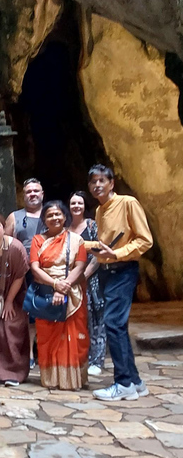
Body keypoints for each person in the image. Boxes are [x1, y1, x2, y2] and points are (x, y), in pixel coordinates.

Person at [84, 164, 153, 401]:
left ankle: (123, 384)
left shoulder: (127, 203)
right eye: (93, 181)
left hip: (123, 270)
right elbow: (106, 246)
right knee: (118, 326)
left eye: (102, 180)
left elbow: (145, 240)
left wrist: (117, 254)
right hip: (108, 271)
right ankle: (135, 382)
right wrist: (98, 254)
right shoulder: (99, 211)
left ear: (112, 183)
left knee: (113, 323)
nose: (97, 185)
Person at [29, 200, 89, 390]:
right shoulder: (38, 240)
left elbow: (80, 266)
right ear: (44, 219)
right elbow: (35, 267)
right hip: (45, 292)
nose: (54, 218)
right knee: (47, 336)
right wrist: (54, 284)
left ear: (65, 217)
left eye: (58, 214)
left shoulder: (76, 240)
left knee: (74, 336)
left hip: (72, 294)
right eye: (49, 215)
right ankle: (52, 379)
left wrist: (64, 286)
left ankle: (72, 379)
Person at [0, 211, 30, 386]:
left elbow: (19, 275)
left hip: (13, 296)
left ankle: (15, 373)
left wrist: (9, 301)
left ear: (3, 227)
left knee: (12, 326)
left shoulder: (15, 247)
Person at [5, 178, 46, 370]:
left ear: (42, 193)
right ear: (24, 195)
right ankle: (28, 353)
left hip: (48, 272)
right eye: (29, 191)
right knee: (26, 313)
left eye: (36, 191)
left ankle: (45, 352)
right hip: (23, 273)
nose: (32, 194)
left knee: (45, 312)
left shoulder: (51, 213)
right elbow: (7, 244)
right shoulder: (14, 216)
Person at [68, 191, 105, 377]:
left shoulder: (91, 225)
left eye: (79, 203)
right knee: (78, 319)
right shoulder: (66, 228)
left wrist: (85, 274)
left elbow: (99, 253)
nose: (76, 206)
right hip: (72, 280)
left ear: (85, 205)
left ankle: (97, 359)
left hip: (91, 280)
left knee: (95, 318)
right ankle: (80, 357)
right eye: (73, 203)